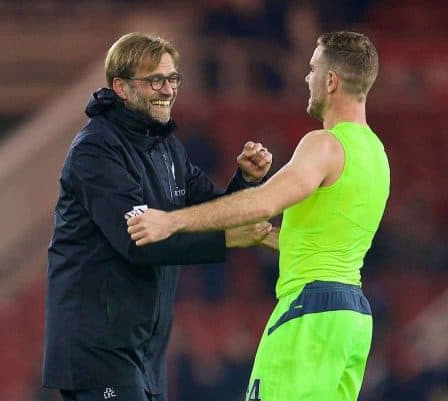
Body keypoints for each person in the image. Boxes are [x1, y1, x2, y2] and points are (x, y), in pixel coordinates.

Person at [127, 31, 390, 401]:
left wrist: (171, 221)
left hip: (309, 314)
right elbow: (331, 245)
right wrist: (270, 237)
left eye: (313, 69)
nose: (306, 78)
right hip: (353, 320)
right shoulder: (377, 154)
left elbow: (264, 201)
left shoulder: (325, 144)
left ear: (331, 81)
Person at [42, 32, 274, 401]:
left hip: (145, 353)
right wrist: (229, 239)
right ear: (121, 87)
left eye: (173, 78)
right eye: (155, 80)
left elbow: (212, 212)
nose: (167, 89)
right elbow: (138, 241)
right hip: (100, 350)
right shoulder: (96, 151)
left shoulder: (166, 147)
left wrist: (245, 180)